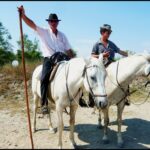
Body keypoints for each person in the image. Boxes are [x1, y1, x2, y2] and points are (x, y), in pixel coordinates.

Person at [18, 6, 74, 114]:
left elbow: (69, 50)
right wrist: (23, 16)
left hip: (63, 58)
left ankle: (77, 98)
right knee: (43, 78)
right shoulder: (44, 31)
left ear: (58, 23)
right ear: (49, 22)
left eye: (55, 21)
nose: (53, 23)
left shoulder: (63, 35)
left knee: (75, 75)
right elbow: (32, 24)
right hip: (49, 58)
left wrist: (73, 61)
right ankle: (44, 104)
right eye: (51, 21)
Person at [91, 24, 130, 105]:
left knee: (125, 75)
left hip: (112, 64)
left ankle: (125, 97)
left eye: (109, 33)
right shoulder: (97, 44)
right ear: (102, 32)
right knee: (94, 78)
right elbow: (92, 55)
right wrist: (102, 55)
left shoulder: (112, 44)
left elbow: (119, 51)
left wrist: (128, 55)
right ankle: (91, 100)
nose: (109, 34)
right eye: (107, 32)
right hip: (101, 65)